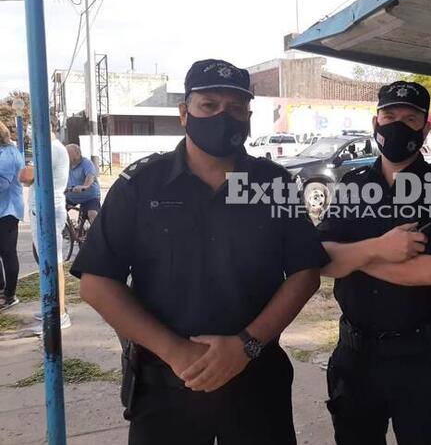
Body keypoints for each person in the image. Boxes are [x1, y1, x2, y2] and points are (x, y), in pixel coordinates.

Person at [71, 59, 329, 445]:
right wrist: (175, 352)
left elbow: (305, 273)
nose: (224, 116)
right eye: (209, 105)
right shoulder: (141, 184)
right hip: (165, 388)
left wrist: (247, 344)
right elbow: (96, 283)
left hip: (256, 383)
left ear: (248, 116)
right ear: (184, 112)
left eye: (236, 109)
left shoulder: (274, 183)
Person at [319, 81, 431, 445]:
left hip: (422, 358)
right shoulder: (352, 184)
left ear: (426, 126)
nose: (397, 125)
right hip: (355, 358)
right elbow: (320, 259)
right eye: (389, 116)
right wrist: (380, 248)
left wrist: (353, 257)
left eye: (410, 117)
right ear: (376, 121)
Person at [19, 114, 72, 331]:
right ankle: (54, 308)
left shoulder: (49, 148)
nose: (30, 133)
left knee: (53, 262)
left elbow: (25, 176)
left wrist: (29, 164)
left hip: (47, 209)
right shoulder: (51, 147)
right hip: (44, 207)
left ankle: (58, 315)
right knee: (48, 261)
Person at [0, 122, 25, 311]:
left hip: (8, 211)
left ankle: (10, 295)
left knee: (8, 252)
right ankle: (2, 290)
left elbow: (3, 184)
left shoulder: (8, 155)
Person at [65, 144, 100, 225]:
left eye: (68, 154)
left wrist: (84, 186)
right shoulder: (65, 164)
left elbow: (90, 177)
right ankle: (65, 230)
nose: (65, 156)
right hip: (70, 196)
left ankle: (96, 235)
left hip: (89, 197)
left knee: (93, 214)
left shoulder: (87, 163)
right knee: (56, 211)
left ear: (77, 154)